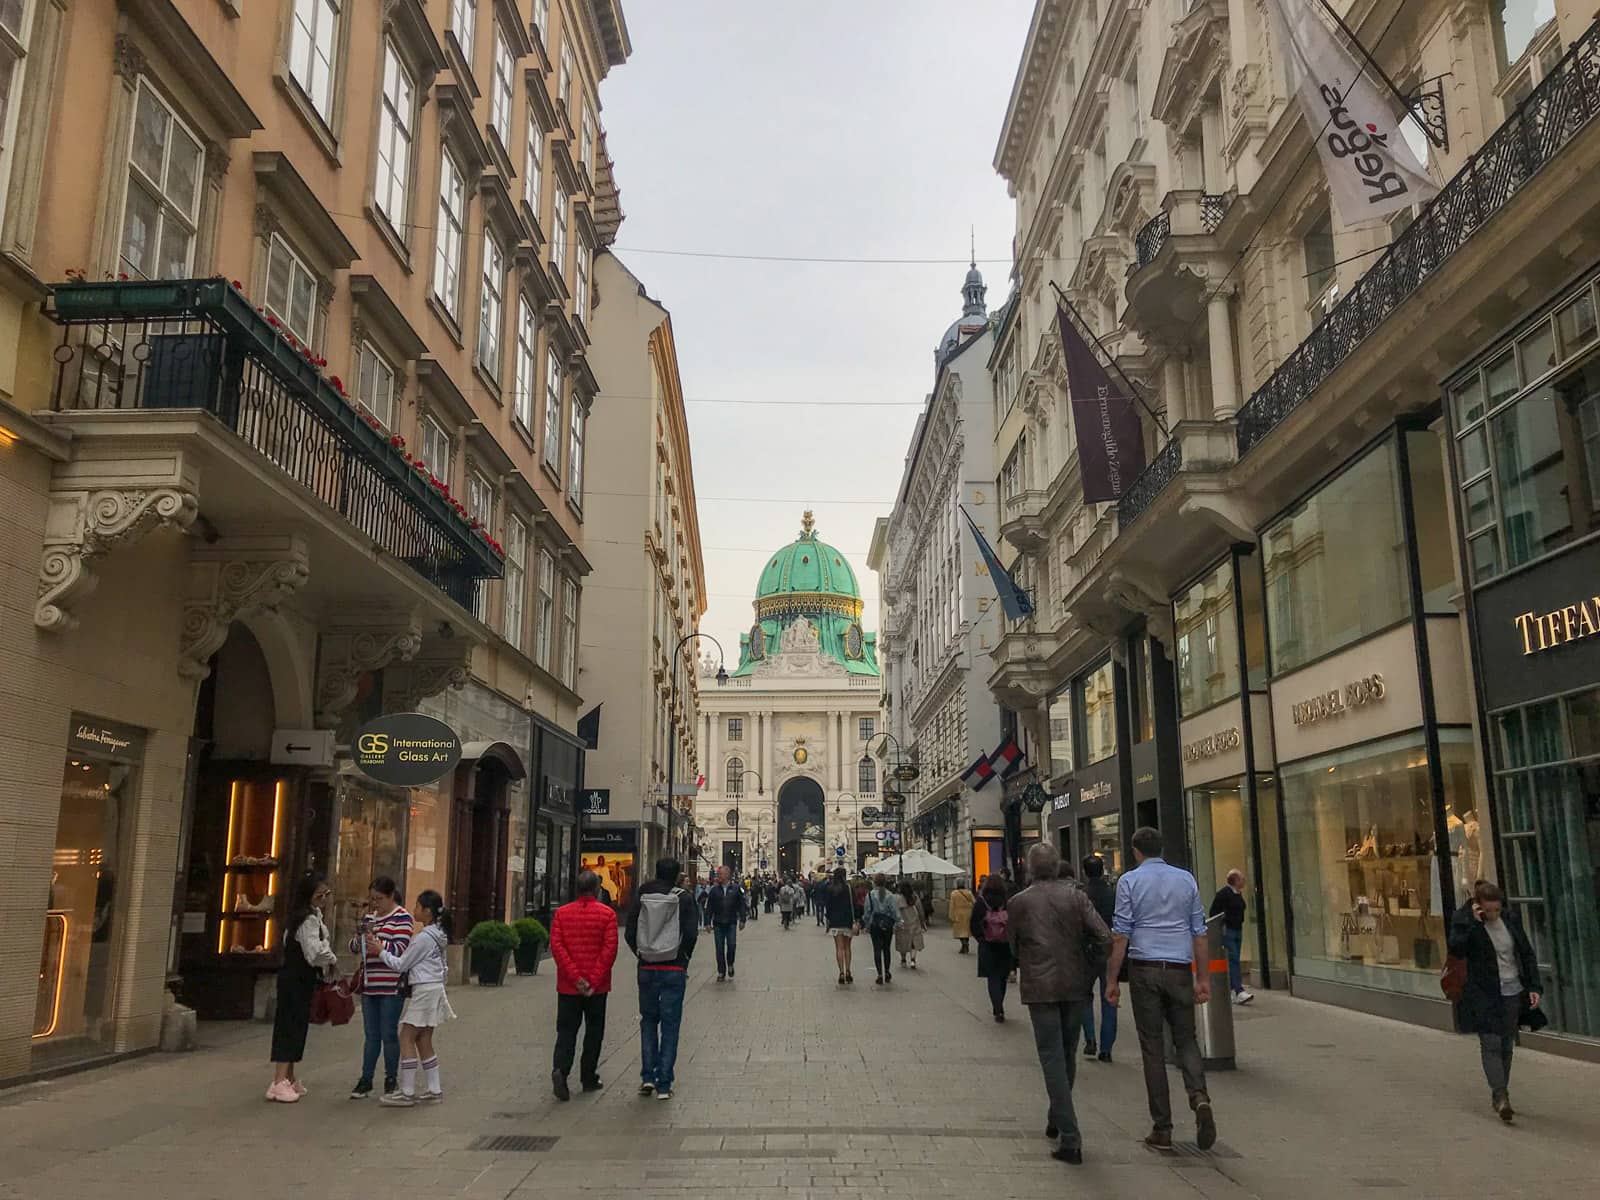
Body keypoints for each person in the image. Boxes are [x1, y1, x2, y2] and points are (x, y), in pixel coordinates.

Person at [1105, 827, 1216, 1151]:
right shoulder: (1186, 880)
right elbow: (1199, 932)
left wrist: (1112, 980)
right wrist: (1204, 978)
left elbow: (1121, 934)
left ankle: (1162, 1127)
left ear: (1136, 850)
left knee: (1152, 1048)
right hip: (1180, 969)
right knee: (1186, 1039)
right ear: (1161, 848)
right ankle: (1199, 1097)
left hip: (1145, 970)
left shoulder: (1129, 881)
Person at [1009, 843, 1111, 1166]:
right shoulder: (1077, 896)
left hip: (1040, 988)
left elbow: (1013, 945)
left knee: (1052, 1057)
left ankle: (1070, 1136)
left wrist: (1031, 961)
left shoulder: (1019, 903)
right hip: (1075, 985)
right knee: (1067, 1054)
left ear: (1029, 869)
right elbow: (1105, 937)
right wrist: (1090, 965)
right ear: (1056, 867)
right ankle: (1058, 1117)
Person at [1448, 880, 1544, 1121]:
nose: (1492, 915)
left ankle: (1501, 1091)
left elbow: (1525, 953)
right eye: (1488, 911)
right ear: (1477, 906)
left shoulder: (1510, 920)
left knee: (1506, 1044)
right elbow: (1456, 950)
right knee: (1490, 1042)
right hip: (1483, 993)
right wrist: (1473, 923)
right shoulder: (1464, 920)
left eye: (1496, 910)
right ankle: (1500, 1095)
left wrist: (1533, 986)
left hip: (1512, 990)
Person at [367, 888, 454, 1107]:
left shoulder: (424, 938)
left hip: (424, 990)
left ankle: (406, 1091)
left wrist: (380, 951)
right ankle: (434, 1088)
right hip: (434, 988)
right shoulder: (439, 934)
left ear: (427, 911)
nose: (414, 909)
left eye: (417, 906)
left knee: (406, 1036)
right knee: (423, 1038)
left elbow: (402, 964)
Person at [625, 857, 699, 1100]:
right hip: (673, 968)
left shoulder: (642, 894)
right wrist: (683, 958)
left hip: (646, 967)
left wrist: (641, 953)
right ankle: (664, 1083)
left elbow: (630, 931)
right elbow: (690, 933)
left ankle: (647, 1077)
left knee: (648, 1021)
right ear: (677, 874)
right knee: (670, 1024)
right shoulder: (684, 897)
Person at [268, 874, 340, 1103]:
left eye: (327, 894)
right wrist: (332, 960)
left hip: (300, 977)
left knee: (297, 1024)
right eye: (320, 894)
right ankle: (279, 1080)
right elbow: (314, 952)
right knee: (290, 1025)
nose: (324, 899)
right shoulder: (306, 919)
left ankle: (288, 1077)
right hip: (296, 977)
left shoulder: (311, 916)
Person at [549, 869, 619, 1101]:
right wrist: (592, 979)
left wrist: (575, 978)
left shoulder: (561, 914)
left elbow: (558, 949)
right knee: (594, 1031)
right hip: (597, 988)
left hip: (569, 987)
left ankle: (561, 1068)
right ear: (597, 889)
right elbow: (609, 951)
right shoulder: (607, 914)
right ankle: (588, 1076)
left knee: (566, 1031)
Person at [348, 876, 412, 1099]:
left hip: (391, 985)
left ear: (391, 895)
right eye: (372, 899)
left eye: (379, 899)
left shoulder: (403, 917)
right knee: (371, 1034)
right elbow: (355, 947)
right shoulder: (369, 918)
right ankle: (366, 1079)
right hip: (370, 984)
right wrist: (359, 939)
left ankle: (391, 1078)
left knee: (388, 1033)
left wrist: (379, 945)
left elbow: (400, 949)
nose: (376, 904)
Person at [1080, 856, 1118, 1063]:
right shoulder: (1112, 894)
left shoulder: (1082, 895)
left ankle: (1089, 1038)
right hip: (1109, 949)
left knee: (1085, 996)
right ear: (1102, 870)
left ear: (1085, 872)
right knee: (1109, 997)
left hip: (1087, 951)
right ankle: (1106, 1048)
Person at [970, 875, 1015, 1021]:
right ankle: (1000, 1002)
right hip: (1005, 944)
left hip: (987, 945)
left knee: (992, 977)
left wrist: (981, 938)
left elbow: (974, 923)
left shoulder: (981, 902)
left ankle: (997, 1008)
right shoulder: (1007, 901)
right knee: (1002, 976)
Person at [1209, 869, 1253, 1005]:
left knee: (1235, 958)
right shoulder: (1223, 894)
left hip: (1237, 929)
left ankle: (1232, 989)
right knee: (1233, 958)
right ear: (1235, 880)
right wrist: (1222, 925)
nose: (1244, 881)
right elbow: (1214, 912)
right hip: (1228, 930)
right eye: (1241, 879)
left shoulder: (1238, 894)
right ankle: (1238, 990)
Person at [705, 865, 747, 981]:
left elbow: (741, 905)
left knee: (732, 945)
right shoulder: (714, 890)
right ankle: (721, 971)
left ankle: (730, 964)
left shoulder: (736, 888)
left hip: (731, 921)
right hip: (718, 922)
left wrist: (742, 919)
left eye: (720, 874)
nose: (718, 876)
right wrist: (707, 922)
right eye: (718, 874)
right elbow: (709, 907)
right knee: (719, 948)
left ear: (727, 875)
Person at [823, 867, 861, 983]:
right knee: (847, 948)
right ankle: (849, 970)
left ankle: (841, 973)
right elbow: (855, 904)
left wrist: (828, 919)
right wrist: (858, 919)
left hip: (835, 922)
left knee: (839, 948)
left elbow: (828, 906)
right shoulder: (849, 888)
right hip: (847, 921)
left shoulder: (830, 889)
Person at [863, 874, 902, 985]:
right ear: (885, 882)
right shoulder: (890, 895)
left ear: (874, 882)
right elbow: (895, 911)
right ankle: (887, 971)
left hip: (875, 925)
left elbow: (867, 911)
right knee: (886, 949)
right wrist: (899, 922)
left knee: (876, 949)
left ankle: (879, 974)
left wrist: (866, 923)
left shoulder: (870, 895)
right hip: (887, 925)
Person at [895, 881, 925, 969]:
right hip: (914, 922)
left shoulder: (897, 898)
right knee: (914, 942)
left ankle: (903, 960)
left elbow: (895, 911)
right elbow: (920, 910)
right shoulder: (914, 897)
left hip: (902, 923)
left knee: (902, 942)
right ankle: (913, 960)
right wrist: (923, 922)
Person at [947, 879, 976, 955]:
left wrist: (951, 916)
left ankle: (964, 944)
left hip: (958, 914)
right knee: (966, 931)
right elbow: (974, 902)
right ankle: (966, 944)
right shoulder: (968, 892)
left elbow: (952, 905)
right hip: (968, 914)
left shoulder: (954, 894)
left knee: (960, 932)